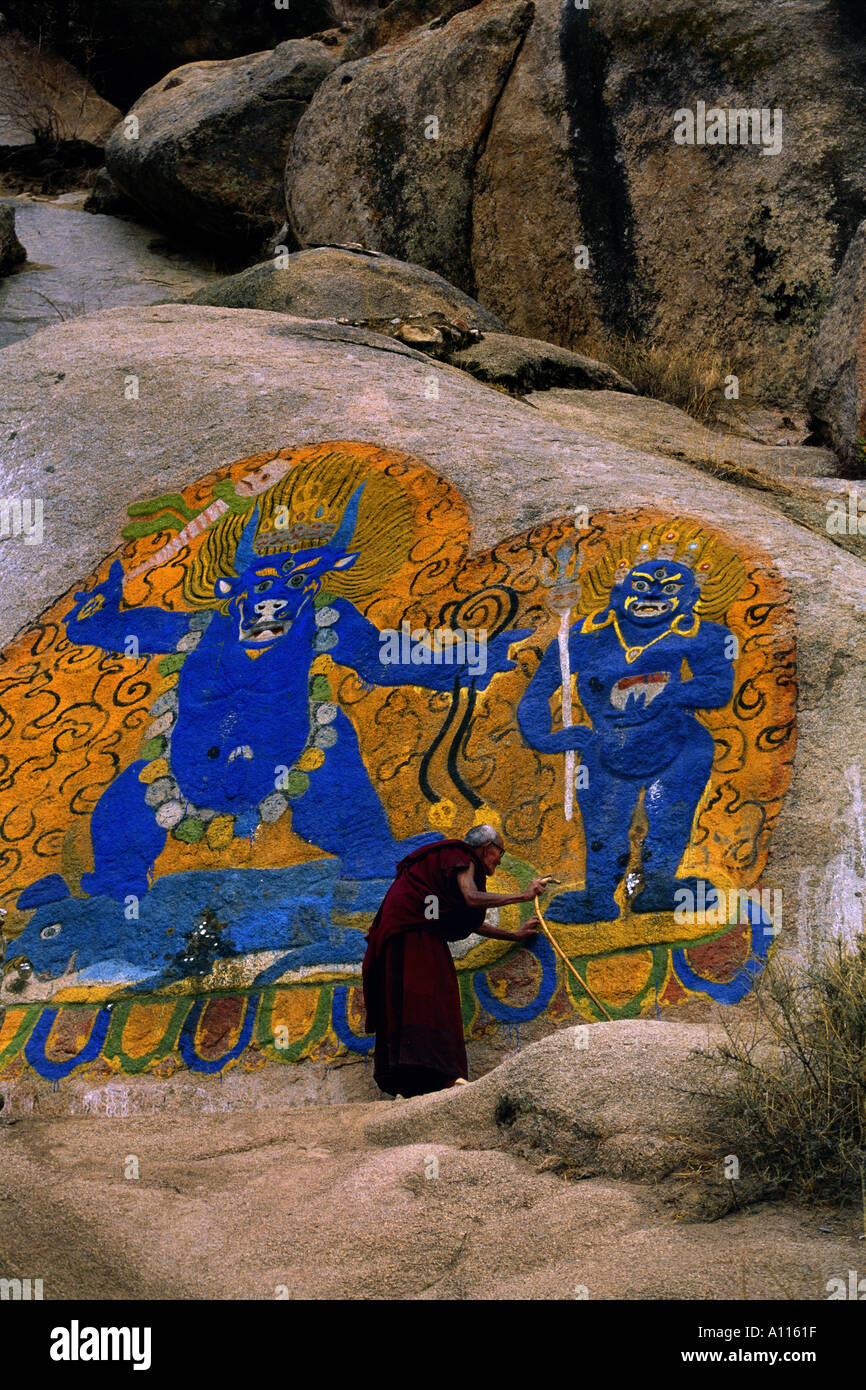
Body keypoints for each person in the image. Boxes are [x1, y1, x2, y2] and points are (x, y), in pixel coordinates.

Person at [362, 824, 548, 1098]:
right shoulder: (460, 855)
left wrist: (514, 935)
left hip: (399, 937)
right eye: (500, 853)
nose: (499, 860)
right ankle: (444, 1078)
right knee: (436, 999)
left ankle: (408, 1082)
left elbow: (463, 919)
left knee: (406, 1002)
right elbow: (471, 898)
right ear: (487, 848)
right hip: (414, 935)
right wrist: (523, 895)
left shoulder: (443, 870)